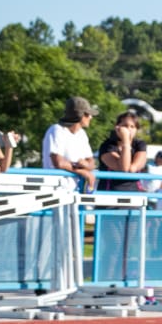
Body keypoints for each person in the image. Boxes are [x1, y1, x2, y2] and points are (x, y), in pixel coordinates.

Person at [95, 110, 148, 281]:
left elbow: (133, 168)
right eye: (125, 126)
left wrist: (129, 147)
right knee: (114, 246)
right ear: (117, 128)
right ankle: (106, 283)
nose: (129, 130)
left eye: (132, 127)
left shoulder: (140, 145)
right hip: (110, 201)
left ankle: (120, 282)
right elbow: (124, 169)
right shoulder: (107, 146)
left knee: (126, 247)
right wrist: (125, 142)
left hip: (132, 201)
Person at [42, 97, 97, 191]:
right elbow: (59, 163)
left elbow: (91, 162)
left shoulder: (82, 134)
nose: (90, 117)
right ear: (79, 115)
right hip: (56, 189)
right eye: (87, 114)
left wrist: (86, 166)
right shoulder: (57, 130)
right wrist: (81, 170)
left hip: (75, 190)